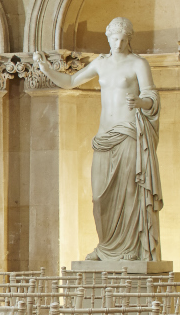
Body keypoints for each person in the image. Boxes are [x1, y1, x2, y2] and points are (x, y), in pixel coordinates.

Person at [33, 17, 162, 262]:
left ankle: (130, 250)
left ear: (129, 39)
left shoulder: (138, 64)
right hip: (104, 136)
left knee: (130, 192)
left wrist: (141, 102)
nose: (119, 42)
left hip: (128, 134)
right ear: (108, 38)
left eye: (124, 39)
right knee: (100, 196)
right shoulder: (101, 64)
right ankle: (106, 247)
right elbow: (71, 82)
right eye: (115, 38)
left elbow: (151, 97)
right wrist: (46, 69)